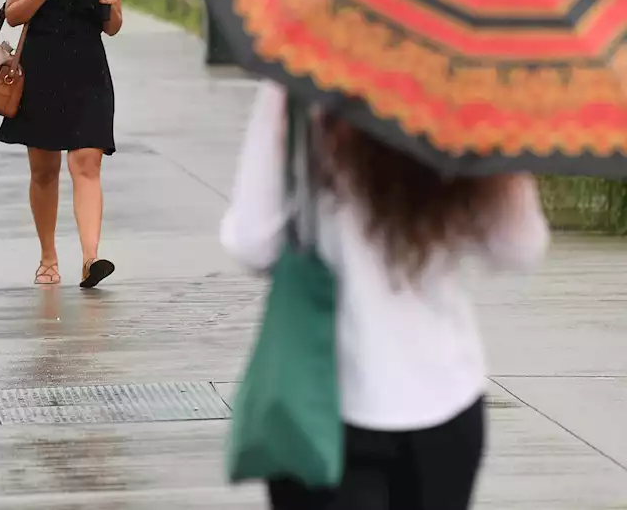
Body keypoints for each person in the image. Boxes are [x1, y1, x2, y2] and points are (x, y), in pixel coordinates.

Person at [221, 81, 551, 510]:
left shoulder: (298, 84)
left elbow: (252, 243)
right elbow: (519, 247)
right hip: (446, 401)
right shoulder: (463, 86)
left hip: (325, 406)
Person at [0, 0, 129, 288]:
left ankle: (91, 258)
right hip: (39, 72)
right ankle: (48, 258)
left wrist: (113, 3)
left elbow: (112, 28)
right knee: (43, 170)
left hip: (88, 73)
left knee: (87, 164)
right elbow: (12, 15)